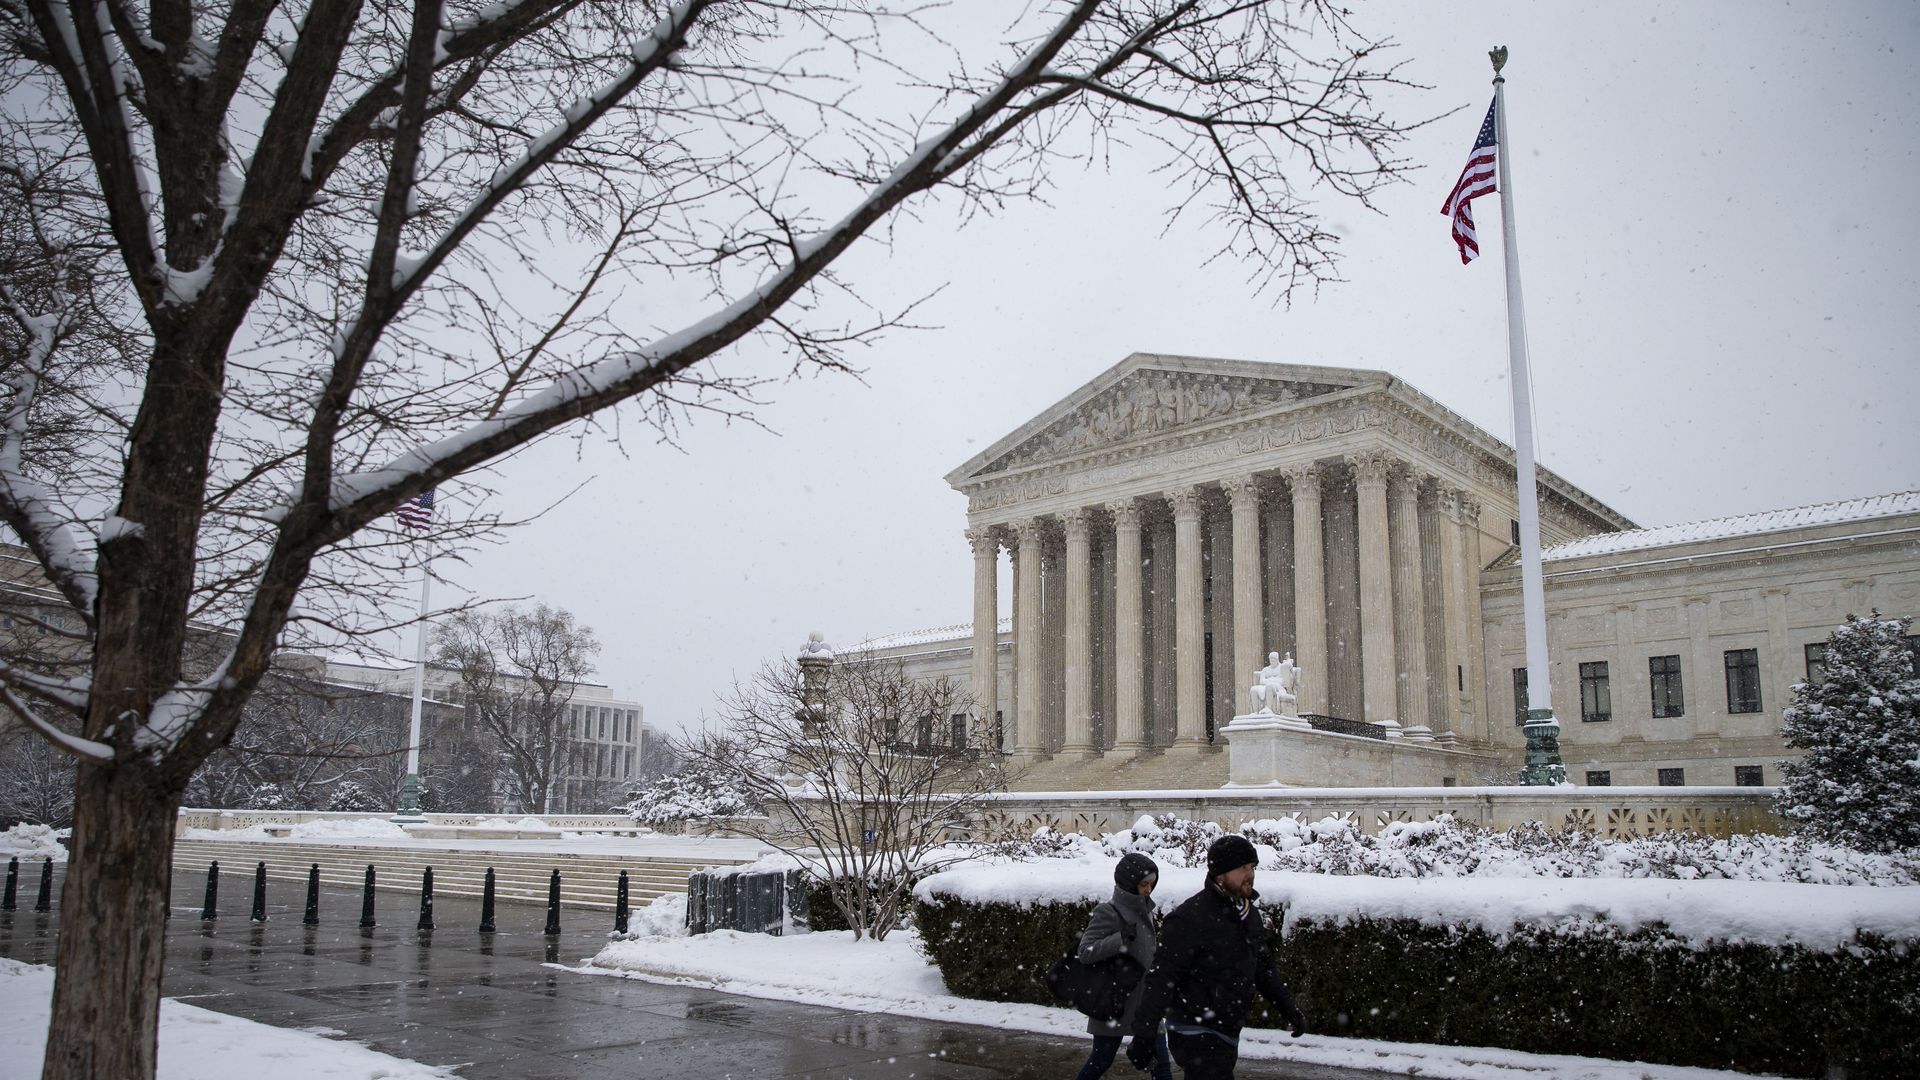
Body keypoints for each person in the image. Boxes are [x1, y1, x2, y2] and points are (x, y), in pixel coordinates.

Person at [1128, 836, 1307, 1079]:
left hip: (1227, 1030)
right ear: (1220, 874)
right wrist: (1144, 1034)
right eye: (1242, 868)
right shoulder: (1189, 918)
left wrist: (1288, 1008)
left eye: (1252, 867)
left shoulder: (1247, 915)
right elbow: (1162, 978)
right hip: (1195, 1030)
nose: (1250, 874)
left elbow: (1262, 967)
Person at [1075, 853, 1174, 1080]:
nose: (1148, 890)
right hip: (1116, 1003)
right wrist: (1119, 939)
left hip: (1147, 1005)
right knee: (1100, 1061)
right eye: (1143, 884)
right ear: (1130, 883)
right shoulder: (1108, 912)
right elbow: (1085, 952)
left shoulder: (1146, 909)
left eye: (1151, 884)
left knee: (1162, 1068)